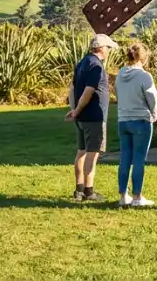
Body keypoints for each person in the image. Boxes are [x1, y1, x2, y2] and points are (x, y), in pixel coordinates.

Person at [66, 33, 116, 202]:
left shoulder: (81, 63)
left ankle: (78, 189)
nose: (109, 51)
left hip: (81, 117)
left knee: (81, 151)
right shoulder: (96, 66)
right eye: (108, 48)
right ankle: (89, 190)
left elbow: (72, 88)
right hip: (93, 116)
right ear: (101, 48)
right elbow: (89, 90)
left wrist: (74, 110)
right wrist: (78, 109)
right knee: (92, 154)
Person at [115, 42, 157, 207]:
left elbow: (117, 93)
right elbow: (152, 99)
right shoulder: (144, 76)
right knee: (139, 158)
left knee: (125, 156)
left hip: (123, 119)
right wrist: (153, 115)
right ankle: (137, 196)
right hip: (140, 119)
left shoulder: (120, 73)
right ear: (144, 58)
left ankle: (122, 195)